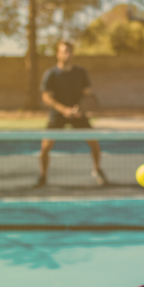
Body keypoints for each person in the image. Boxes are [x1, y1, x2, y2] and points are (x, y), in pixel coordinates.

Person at [37, 40, 108, 187]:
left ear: (73, 54)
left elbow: (87, 94)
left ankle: (97, 170)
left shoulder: (80, 73)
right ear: (58, 54)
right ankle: (43, 177)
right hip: (57, 115)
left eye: (69, 51)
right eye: (64, 51)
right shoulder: (51, 74)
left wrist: (79, 109)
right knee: (45, 147)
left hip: (78, 115)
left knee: (94, 144)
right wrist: (63, 110)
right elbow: (46, 97)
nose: (67, 54)